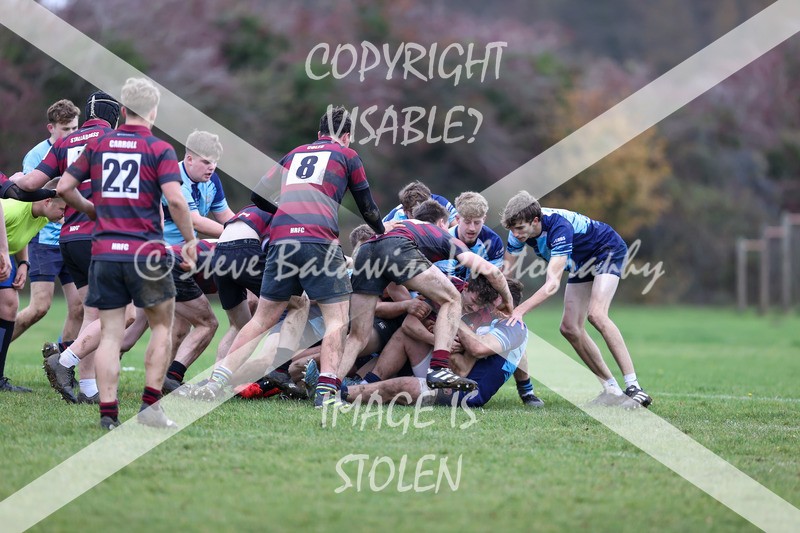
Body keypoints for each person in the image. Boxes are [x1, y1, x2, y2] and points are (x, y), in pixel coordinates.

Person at [191, 106, 385, 406]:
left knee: (261, 319)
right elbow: (367, 207)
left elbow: (258, 196)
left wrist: (286, 214)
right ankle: (326, 392)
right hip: (318, 239)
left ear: (319, 134)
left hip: (281, 241)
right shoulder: (347, 155)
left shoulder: (294, 154)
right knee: (337, 319)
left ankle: (218, 379)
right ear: (346, 136)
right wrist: (381, 231)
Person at [58, 77, 196, 430]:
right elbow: (177, 202)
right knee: (162, 327)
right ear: (152, 111)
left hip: (104, 252)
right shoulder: (159, 149)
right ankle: (150, 410)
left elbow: (64, 188)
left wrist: (91, 210)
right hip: (145, 253)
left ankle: (108, 415)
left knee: (110, 334)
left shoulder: (100, 145)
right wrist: (190, 240)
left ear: (122, 110)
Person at [339, 199, 514, 396]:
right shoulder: (444, 236)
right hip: (394, 247)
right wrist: (508, 301)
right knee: (452, 298)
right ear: (441, 223)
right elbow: (494, 273)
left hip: (366, 250)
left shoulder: (404, 225)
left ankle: (327, 388)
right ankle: (439, 369)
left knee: (356, 336)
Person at [501, 191, 652, 408]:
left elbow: (552, 284)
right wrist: (501, 304)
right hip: (581, 262)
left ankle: (634, 388)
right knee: (569, 328)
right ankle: (611, 390)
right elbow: (505, 275)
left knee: (597, 315)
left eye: (520, 229)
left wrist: (519, 310)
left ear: (535, 221)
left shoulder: (559, 228)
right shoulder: (517, 229)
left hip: (606, 250)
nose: (515, 234)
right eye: (512, 229)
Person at [21, 90, 121, 404]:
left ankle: (89, 389)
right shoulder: (114, 140)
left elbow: (29, 183)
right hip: (100, 237)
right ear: (114, 117)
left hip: (70, 239)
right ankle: (64, 361)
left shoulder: (65, 142)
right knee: (123, 313)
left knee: (92, 314)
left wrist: (5, 184)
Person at [335, 276, 528, 409]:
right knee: (405, 335)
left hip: (465, 392)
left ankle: (338, 393)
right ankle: (349, 383)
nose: (486, 307)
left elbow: (473, 353)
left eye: (494, 303)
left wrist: (449, 317)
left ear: (507, 307)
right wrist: (441, 336)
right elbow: (411, 324)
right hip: (449, 374)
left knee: (401, 386)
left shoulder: (514, 326)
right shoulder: (483, 316)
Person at [12, 99, 83, 351]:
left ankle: (63, 365)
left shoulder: (82, 151)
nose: (73, 134)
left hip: (72, 238)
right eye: (66, 130)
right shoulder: (36, 155)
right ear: (51, 128)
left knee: (79, 307)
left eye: (75, 128)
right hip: (44, 239)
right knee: (39, 308)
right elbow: (32, 195)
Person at [0, 179, 66, 392]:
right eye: (63, 209)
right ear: (47, 201)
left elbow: (21, 235)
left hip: (7, 255)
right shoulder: (15, 208)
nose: (64, 215)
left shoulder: (41, 215)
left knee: (10, 306)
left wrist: (24, 263)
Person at [162, 130, 234, 244]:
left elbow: (225, 215)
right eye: (207, 162)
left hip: (187, 248)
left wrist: (246, 228)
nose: (212, 167)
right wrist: (237, 234)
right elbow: (195, 222)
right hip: (161, 249)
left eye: (215, 162)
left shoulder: (212, 180)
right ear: (190, 159)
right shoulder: (173, 180)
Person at [382, 180, 457, 227]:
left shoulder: (441, 203)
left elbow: (458, 226)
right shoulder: (395, 219)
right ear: (405, 211)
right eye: (415, 214)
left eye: (426, 211)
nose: (422, 217)